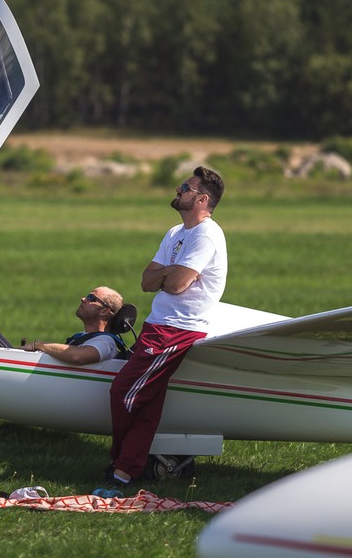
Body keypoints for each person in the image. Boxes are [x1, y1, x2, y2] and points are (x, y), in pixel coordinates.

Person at [107, 166, 227, 486]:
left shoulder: (207, 234)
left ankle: (118, 459)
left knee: (124, 393)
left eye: (185, 188)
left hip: (178, 329)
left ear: (202, 198)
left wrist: (168, 274)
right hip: (158, 324)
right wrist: (170, 273)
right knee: (146, 406)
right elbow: (148, 281)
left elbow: (174, 286)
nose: (178, 190)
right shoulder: (176, 233)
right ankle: (125, 471)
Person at [0, 286, 127, 365]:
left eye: (91, 298)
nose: (83, 299)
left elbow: (78, 357)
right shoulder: (83, 336)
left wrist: (39, 345)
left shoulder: (106, 342)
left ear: (105, 311)